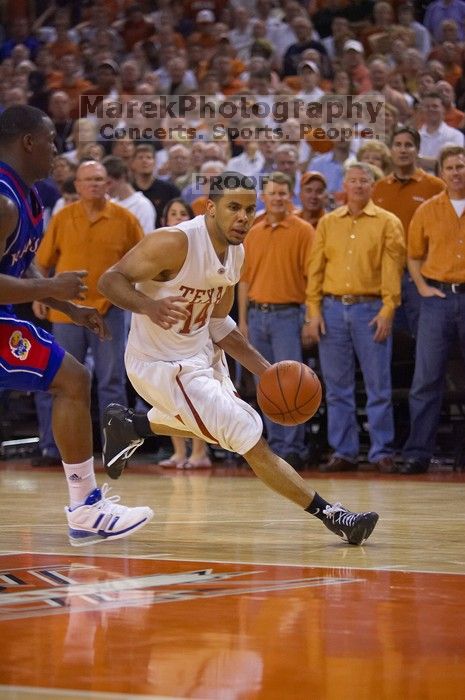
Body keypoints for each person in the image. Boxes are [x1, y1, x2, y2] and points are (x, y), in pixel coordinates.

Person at [97, 171, 379, 546]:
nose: (244, 217)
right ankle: (333, 515)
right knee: (249, 436)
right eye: (234, 208)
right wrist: (149, 305)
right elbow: (109, 280)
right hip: (160, 364)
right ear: (211, 208)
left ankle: (131, 426)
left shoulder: (236, 253)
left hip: (202, 357)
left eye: (250, 208)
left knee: (227, 432)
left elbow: (219, 325)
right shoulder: (173, 243)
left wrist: (266, 372)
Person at [0, 104, 153, 544]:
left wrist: (70, 308)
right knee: (73, 379)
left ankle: (85, 509)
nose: (55, 149)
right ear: (27, 142)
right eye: (50, 140)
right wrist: (51, 285)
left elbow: (19, 267)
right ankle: (86, 510)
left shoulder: (27, 196)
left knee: (74, 379)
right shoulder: (3, 201)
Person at [35, 160, 145, 451]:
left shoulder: (125, 218)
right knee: (59, 379)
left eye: (99, 178)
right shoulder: (62, 217)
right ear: (77, 186)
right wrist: (38, 294)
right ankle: (53, 447)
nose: (95, 184)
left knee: (112, 382)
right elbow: (42, 262)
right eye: (88, 179)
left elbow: (143, 263)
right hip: (65, 312)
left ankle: (117, 449)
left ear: (108, 183)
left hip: (110, 311)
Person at [306, 163, 405, 474]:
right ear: (344, 186)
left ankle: (381, 452)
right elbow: (315, 269)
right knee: (337, 388)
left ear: (373, 186)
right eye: (353, 181)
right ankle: (344, 451)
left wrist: (388, 309)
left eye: (365, 181)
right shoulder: (327, 223)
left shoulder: (388, 222)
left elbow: (393, 270)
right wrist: (314, 311)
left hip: (370, 309)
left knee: (378, 386)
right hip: (332, 309)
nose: (359, 185)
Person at [238, 172, 315, 469]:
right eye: (273, 193)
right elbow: (243, 282)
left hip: (288, 315)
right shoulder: (253, 233)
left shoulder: (304, 230)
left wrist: (309, 317)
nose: (279, 198)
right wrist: (243, 322)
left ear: (290, 196)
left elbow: (311, 279)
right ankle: (273, 445)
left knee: (291, 384)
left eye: (284, 193)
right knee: (265, 387)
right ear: (264, 198)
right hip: (257, 316)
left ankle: (292, 447)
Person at [400, 146, 465, 474]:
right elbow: (413, 254)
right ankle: (417, 454)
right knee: (426, 379)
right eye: (450, 167)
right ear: (442, 173)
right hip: (437, 299)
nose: (456, 172)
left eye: (461, 166)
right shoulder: (427, 210)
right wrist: (423, 287)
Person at [372, 126, 445, 337]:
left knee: (425, 338)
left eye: (408, 145)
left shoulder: (436, 187)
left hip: (420, 276)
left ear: (417, 150)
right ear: (391, 150)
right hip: (385, 276)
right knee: (386, 339)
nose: (403, 150)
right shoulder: (378, 188)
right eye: (398, 145)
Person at [156, 198, 212, 469]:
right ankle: (179, 451)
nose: (177, 217)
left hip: (198, 327)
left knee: (198, 391)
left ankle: (199, 452)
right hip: (166, 329)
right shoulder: (155, 248)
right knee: (167, 394)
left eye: (182, 214)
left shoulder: (201, 248)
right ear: (164, 220)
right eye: (172, 213)